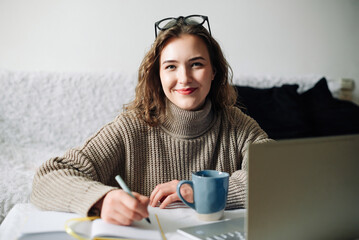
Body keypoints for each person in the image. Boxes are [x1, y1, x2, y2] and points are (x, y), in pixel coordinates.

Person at [30, 15, 270, 226]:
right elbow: (48, 177)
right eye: (171, 67)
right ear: (158, 74)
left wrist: (198, 191)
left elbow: (282, 177)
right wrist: (101, 200)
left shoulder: (238, 126)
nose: (184, 78)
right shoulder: (129, 128)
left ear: (214, 71)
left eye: (196, 64)